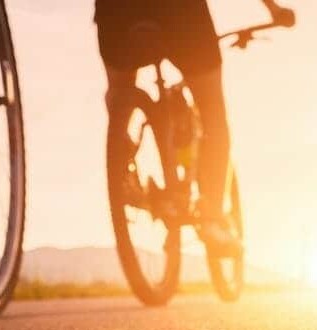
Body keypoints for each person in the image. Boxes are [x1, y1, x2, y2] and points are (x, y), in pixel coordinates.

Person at [95, 0, 294, 255]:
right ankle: (211, 217)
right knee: (212, 109)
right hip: (180, 13)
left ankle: (121, 166)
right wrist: (274, 9)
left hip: (116, 13)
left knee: (119, 92)